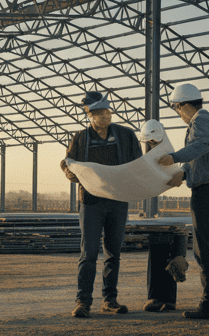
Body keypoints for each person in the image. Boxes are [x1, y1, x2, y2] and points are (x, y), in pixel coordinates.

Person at [60, 91, 143, 318]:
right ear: (90, 115)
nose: (105, 116)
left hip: (118, 200)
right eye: (99, 113)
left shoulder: (125, 135)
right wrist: (75, 175)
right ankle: (83, 301)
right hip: (91, 202)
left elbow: (139, 161)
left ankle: (110, 300)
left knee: (113, 253)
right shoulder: (81, 138)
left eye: (107, 112)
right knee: (88, 254)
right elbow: (67, 162)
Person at [158, 83, 209, 320]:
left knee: (205, 252)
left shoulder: (200, 122)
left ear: (182, 105)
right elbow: (202, 158)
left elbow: (201, 145)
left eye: (177, 109)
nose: (178, 114)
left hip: (207, 195)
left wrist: (174, 157)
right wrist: (183, 173)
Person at [139, 119, 189, 313]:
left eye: (154, 142)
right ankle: (158, 297)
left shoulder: (181, 148)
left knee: (173, 254)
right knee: (160, 248)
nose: (152, 145)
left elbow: (189, 164)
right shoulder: (147, 156)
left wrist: (182, 173)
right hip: (155, 210)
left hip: (174, 210)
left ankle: (166, 298)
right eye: (149, 142)